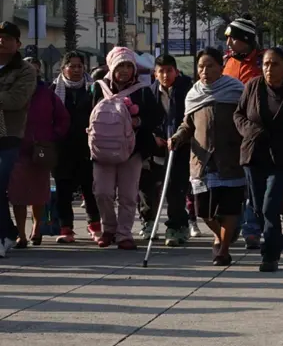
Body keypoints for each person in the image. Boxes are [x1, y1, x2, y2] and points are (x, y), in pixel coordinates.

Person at [234, 48, 283, 272]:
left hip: (281, 160)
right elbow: (238, 115)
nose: (269, 68)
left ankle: (270, 255)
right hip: (254, 155)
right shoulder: (253, 86)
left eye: (275, 64)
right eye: (266, 63)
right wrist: (251, 130)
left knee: (270, 206)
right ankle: (278, 239)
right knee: (258, 208)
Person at [169, 48, 245, 265]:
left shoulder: (236, 91)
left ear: (221, 66)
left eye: (210, 65)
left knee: (229, 207)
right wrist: (177, 137)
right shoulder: (194, 95)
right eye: (201, 66)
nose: (205, 70)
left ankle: (223, 248)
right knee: (203, 210)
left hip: (230, 158)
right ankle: (222, 234)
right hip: (202, 161)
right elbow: (187, 124)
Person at [90, 47, 163, 250]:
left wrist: (139, 121)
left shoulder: (142, 90)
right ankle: (109, 229)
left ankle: (124, 234)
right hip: (102, 151)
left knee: (128, 195)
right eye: (120, 66)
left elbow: (157, 116)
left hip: (132, 151)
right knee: (102, 192)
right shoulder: (98, 88)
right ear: (111, 67)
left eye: (128, 66)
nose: (124, 70)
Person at [9, 66, 69, 247]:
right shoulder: (11, 93)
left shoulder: (47, 95)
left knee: (38, 192)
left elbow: (63, 118)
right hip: (15, 149)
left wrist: (53, 136)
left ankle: (36, 228)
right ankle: (21, 234)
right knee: (17, 195)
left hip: (41, 150)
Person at [141, 54, 194, 246]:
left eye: (169, 71)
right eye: (161, 71)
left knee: (175, 188)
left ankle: (176, 226)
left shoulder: (187, 89)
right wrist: (155, 136)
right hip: (157, 147)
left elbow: (189, 117)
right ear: (155, 74)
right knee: (148, 187)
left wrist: (179, 136)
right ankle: (148, 221)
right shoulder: (149, 92)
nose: (165, 75)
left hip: (181, 146)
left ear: (176, 71)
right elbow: (147, 119)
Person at [52, 51, 101, 243]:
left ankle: (95, 226)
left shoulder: (94, 88)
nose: (76, 70)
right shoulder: (53, 90)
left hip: (88, 147)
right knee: (63, 190)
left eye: (79, 66)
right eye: (71, 66)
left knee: (91, 189)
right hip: (62, 148)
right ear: (63, 68)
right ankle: (66, 228)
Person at [223, 16, 263, 249]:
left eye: (233, 38)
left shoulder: (261, 63)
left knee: (252, 186)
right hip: (227, 134)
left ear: (245, 39)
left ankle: (252, 228)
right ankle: (233, 225)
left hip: (251, 133)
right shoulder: (226, 62)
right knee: (233, 185)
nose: (228, 43)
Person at [0, 22, 36, 256]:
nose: (1, 41)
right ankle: (7, 232)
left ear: (17, 44)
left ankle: (6, 234)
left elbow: (16, 100)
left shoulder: (25, 70)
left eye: (7, 38)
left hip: (9, 136)